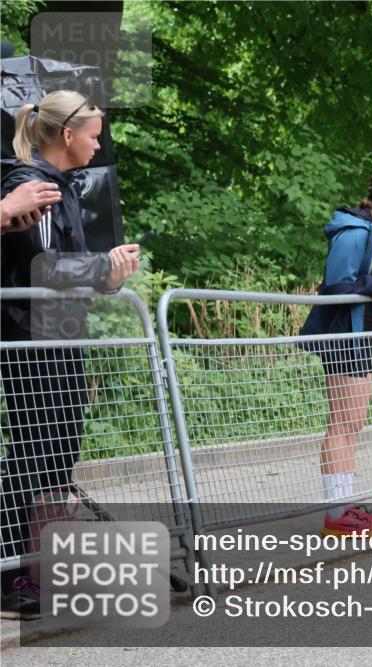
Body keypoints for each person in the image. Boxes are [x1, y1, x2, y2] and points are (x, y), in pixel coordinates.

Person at [1, 91, 140, 619]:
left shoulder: (60, 188)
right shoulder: (29, 185)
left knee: (57, 454)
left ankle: (40, 568)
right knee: (36, 455)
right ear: (67, 136)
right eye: (94, 134)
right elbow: (42, 269)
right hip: (32, 338)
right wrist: (98, 266)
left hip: (59, 335)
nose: (98, 142)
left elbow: (65, 269)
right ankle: (13, 574)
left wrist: (106, 274)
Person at [299, 164, 372, 537]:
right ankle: (337, 514)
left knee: (353, 422)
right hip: (342, 333)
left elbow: (365, 280)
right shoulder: (354, 231)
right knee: (342, 423)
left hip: (363, 331)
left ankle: (345, 506)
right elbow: (337, 286)